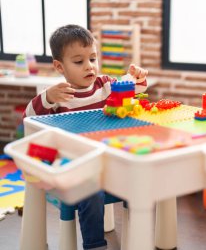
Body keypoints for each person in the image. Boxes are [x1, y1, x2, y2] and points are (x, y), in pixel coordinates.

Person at [24, 24, 148, 250]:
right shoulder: (59, 94)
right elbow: (28, 118)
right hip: (73, 166)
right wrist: (48, 98)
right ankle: (94, 245)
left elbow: (132, 88)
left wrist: (137, 77)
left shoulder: (105, 86)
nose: (89, 66)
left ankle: (139, 240)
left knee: (141, 178)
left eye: (93, 58)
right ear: (59, 66)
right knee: (90, 190)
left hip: (106, 160)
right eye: (79, 61)